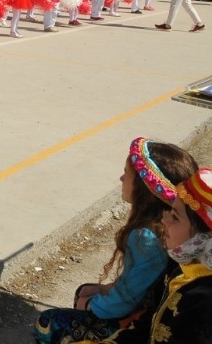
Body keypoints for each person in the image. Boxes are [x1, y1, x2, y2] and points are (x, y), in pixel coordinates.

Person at [33, 137, 198, 344]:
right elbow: (137, 283)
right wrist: (103, 289)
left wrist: (92, 305)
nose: (121, 178)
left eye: (127, 174)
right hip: (148, 309)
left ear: (143, 189)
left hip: (136, 324)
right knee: (84, 292)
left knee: (47, 322)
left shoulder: (146, 238)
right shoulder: (172, 230)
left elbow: (124, 301)